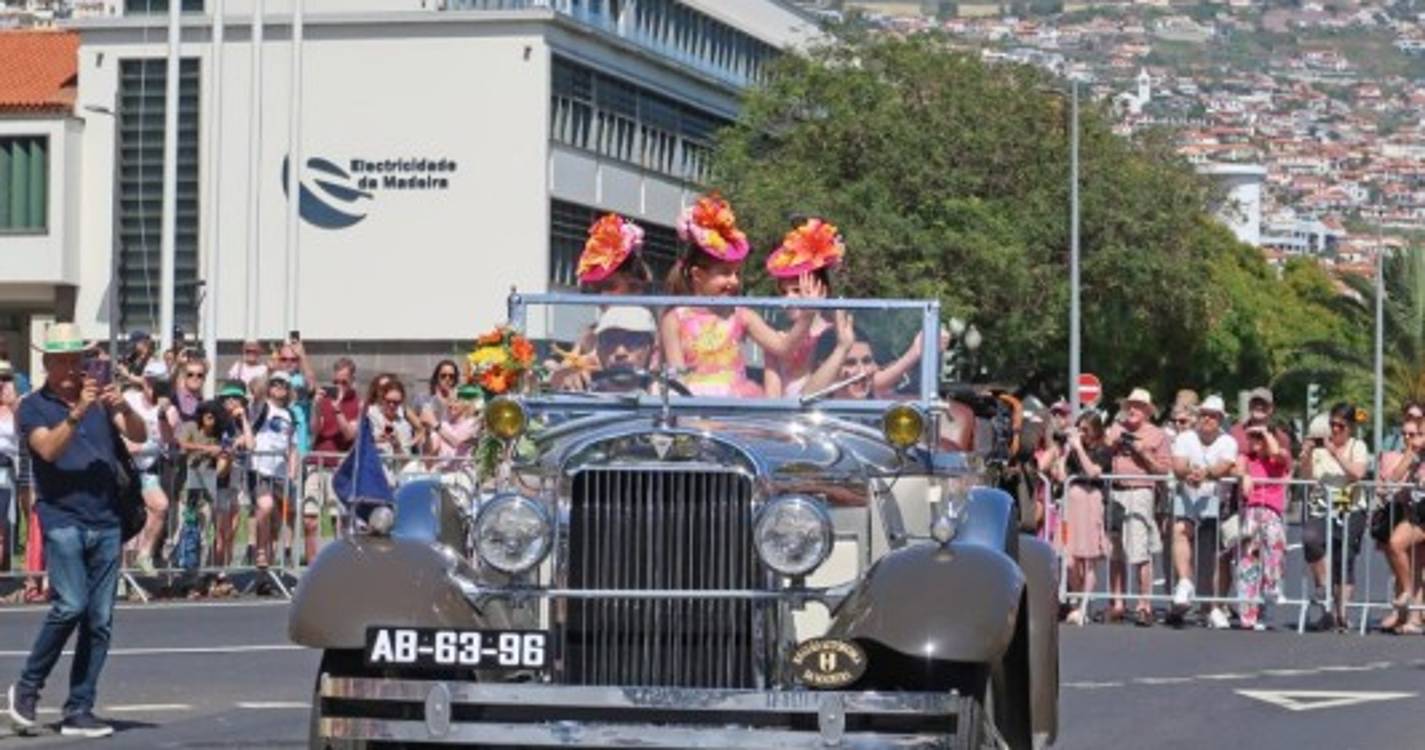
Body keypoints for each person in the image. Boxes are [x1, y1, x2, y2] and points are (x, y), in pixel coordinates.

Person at [7, 323, 147, 738]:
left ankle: (79, 708)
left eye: (77, 360)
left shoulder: (102, 400)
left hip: (105, 518)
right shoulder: (33, 406)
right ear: (47, 363)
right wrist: (77, 412)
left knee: (100, 619)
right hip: (63, 517)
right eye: (63, 360)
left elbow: (139, 435)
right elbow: (47, 448)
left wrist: (123, 406)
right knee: (71, 604)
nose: (72, 368)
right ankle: (28, 687)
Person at [660, 194, 813, 397]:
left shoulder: (742, 315)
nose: (734, 281)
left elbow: (782, 348)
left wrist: (808, 314)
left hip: (734, 406)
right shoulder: (674, 319)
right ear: (698, 275)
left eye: (736, 273)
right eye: (725, 273)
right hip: (692, 408)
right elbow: (676, 378)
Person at [1298, 403, 1370, 631]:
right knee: (1311, 539)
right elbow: (1308, 478)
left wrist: (1336, 453)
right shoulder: (1320, 451)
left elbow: (1357, 473)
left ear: (1350, 428)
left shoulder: (1357, 446)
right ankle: (1324, 589)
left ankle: (1341, 614)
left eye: (1340, 426)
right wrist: (1307, 455)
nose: (1335, 430)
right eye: (1332, 425)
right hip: (1322, 507)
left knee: (1344, 558)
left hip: (1351, 507)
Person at [1104, 388, 1172, 627]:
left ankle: (1145, 604)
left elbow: (1164, 470)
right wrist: (1110, 443)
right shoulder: (1116, 429)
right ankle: (1118, 602)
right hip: (1115, 490)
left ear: (1147, 411)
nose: (1132, 409)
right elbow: (1101, 451)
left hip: (1140, 490)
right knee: (1115, 549)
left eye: (1137, 406)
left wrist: (1143, 453)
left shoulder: (1157, 435)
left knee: (1139, 549)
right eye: (1129, 405)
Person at [1169, 395, 1237, 628]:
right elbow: (1177, 465)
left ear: (1220, 419)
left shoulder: (1228, 441)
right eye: (1204, 414)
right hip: (1188, 497)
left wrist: (1205, 474)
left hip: (1214, 502)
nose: (1207, 419)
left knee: (1210, 555)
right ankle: (1185, 583)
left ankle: (1211, 606)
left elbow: (1224, 466)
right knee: (1180, 530)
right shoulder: (1186, 437)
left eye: (1213, 416)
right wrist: (1190, 474)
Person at [761, 218, 841, 397]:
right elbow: (771, 396)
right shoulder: (777, 339)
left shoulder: (836, 334)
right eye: (783, 292)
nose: (789, 299)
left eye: (798, 290)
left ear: (822, 290)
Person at [1054, 412, 1113, 625]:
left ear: (1096, 430)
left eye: (1086, 430)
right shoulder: (1074, 451)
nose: (1082, 433)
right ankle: (1077, 600)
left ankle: (1084, 605)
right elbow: (1061, 477)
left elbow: (1093, 472)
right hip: (1072, 502)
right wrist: (1065, 454)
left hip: (1091, 502)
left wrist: (1079, 449)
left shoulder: (1104, 450)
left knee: (1088, 559)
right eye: (1079, 429)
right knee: (1069, 560)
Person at [1235, 421, 1290, 630]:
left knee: (1275, 545)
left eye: (1259, 437)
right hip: (1252, 511)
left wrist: (1266, 432)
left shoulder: (1277, 459)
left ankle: (1272, 584)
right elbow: (1238, 467)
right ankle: (1247, 614)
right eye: (1252, 437)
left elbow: (1278, 453)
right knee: (1249, 559)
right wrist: (1244, 475)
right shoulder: (1247, 459)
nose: (1255, 441)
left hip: (1271, 511)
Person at [1375, 414, 1425, 633]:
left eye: (1418, 435)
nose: (1412, 439)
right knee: (1399, 548)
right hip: (1417, 513)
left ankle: (1414, 614)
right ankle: (1410, 607)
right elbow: (1394, 477)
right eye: (1407, 435)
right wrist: (1411, 454)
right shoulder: (1413, 454)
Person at [120, 376, 175, 575]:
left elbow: (168, 440)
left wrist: (162, 414)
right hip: (124, 469)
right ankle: (120, 573)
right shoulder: (129, 398)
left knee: (161, 505)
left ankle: (145, 554)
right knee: (124, 518)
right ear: (143, 382)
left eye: (159, 385)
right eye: (150, 382)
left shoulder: (168, 409)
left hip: (146, 471)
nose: (153, 388)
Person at [306, 358, 360, 555]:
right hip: (317, 463)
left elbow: (349, 434)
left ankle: (339, 566)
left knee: (338, 522)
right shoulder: (324, 398)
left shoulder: (358, 402)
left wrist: (338, 409)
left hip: (341, 467)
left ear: (353, 380)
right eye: (335, 382)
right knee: (309, 520)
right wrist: (316, 407)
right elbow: (314, 430)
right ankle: (311, 571)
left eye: (344, 382)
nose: (339, 387)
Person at [249, 372, 298, 570]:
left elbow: (292, 447)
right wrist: (269, 372)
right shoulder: (262, 407)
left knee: (277, 520)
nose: (279, 387)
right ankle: (259, 549)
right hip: (260, 468)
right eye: (275, 384)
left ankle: (267, 571)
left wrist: (293, 472)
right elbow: (257, 391)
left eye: (284, 384)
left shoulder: (289, 414)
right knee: (265, 507)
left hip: (280, 473)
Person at [550, 306, 659, 392]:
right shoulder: (583, 391)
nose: (620, 352)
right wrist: (566, 380)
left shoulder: (668, 399)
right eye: (610, 340)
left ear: (651, 350)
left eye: (632, 340)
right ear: (598, 349)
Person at [0, 363, 17, 574]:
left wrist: (13, 404)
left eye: (5, 378)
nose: (1, 383)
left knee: (2, 528)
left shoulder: (16, 407)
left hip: (6, 469)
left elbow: (23, 433)